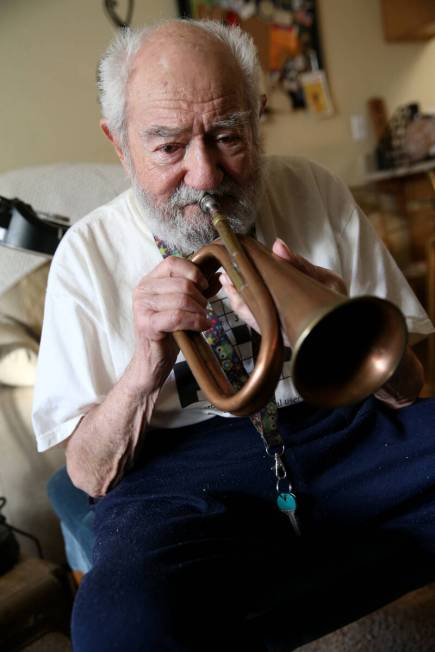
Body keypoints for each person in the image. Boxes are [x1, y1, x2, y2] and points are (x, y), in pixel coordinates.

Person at [33, 18, 435, 652]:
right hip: (181, 476)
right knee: (119, 624)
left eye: (228, 135)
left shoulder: (313, 190)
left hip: (338, 428)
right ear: (120, 144)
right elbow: (86, 474)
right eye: (168, 146)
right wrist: (145, 364)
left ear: (258, 117)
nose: (205, 176)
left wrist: (338, 317)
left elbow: (410, 386)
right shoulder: (84, 255)